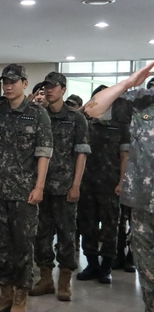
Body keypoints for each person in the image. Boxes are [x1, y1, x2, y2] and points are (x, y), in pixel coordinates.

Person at [85, 61, 154, 312]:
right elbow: (92, 109)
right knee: (148, 277)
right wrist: (126, 83)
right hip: (143, 205)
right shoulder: (142, 100)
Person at [0, 64, 53, 312]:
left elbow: (44, 153)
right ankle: (5, 293)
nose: (9, 85)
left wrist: (39, 186)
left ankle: (20, 296)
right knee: (0, 246)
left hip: (25, 192)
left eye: (14, 81)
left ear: (25, 83)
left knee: (23, 246)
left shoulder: (37, 113)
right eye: (5, 81)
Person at [30, 72, 90, 302]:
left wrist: (76, 185)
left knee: (67, 234)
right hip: (40, 187)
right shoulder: (38, 115)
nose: (49, 90)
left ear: (63, 89)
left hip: (65, 187)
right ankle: (46, 278)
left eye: (54, 86)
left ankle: (64, 279)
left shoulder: (76, 119)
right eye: (47, 86)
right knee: (41, 234)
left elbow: (81, 154)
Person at [76, 84, 130, 285]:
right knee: (87, 225)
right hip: (86, 182)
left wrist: (121, 181)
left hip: (110, 183)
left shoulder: (120, 124)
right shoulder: (84, 123)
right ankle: (91, 264)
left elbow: (125, 154)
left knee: (111, 227)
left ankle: (106, 267)